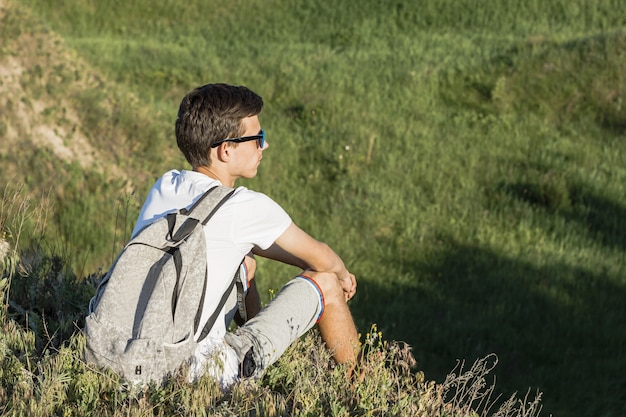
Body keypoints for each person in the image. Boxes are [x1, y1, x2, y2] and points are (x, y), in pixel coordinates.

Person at [130, 83, 359, 389]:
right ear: (227, 149)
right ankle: (358, 392)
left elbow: (234, 241)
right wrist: (343, 275)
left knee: (244, 260)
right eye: (258, 139)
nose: (264, 146)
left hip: (133, 358)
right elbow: (323, 258)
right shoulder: (245, 208)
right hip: (202, 377)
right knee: (326, 284)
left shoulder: (165, 185)